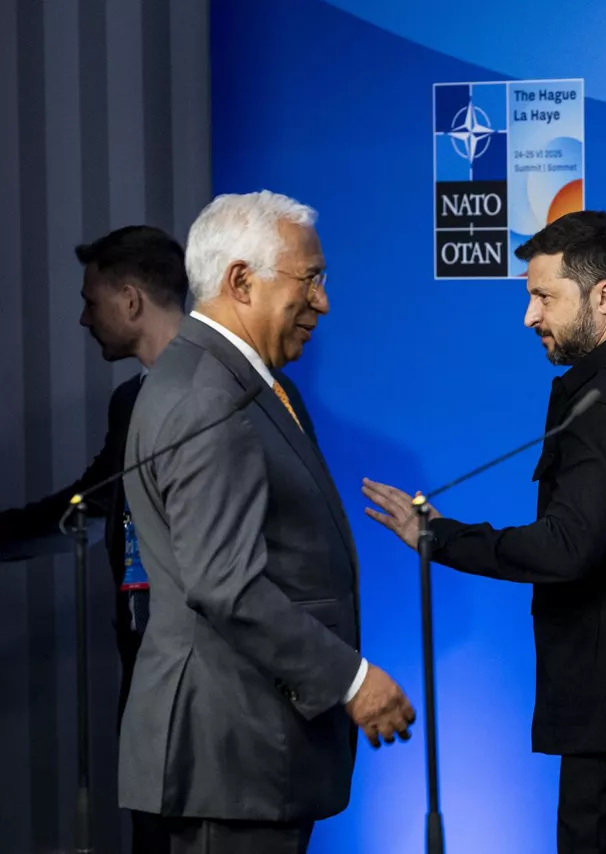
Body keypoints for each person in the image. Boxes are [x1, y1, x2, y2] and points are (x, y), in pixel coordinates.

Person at [361, 210, 606, 853]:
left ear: (604, 296)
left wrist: (439, 537)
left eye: (543, 297)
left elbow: (566, 548)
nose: (530, 317)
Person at [120, 190, 416, 853]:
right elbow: (226, 585)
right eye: (310, 280)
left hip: (251, 752)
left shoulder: (242, 381)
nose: (324, 302)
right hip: (232, 753)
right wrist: (352, 679)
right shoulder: (208, 396)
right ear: (241, 282)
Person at [0, 225, 189, 853]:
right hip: (143, 658)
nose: (83, 318)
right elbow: (96, 497)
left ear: (131, 301)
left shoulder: (231, 390)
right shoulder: (130, 401)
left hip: (202, 676)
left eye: (91, 300)